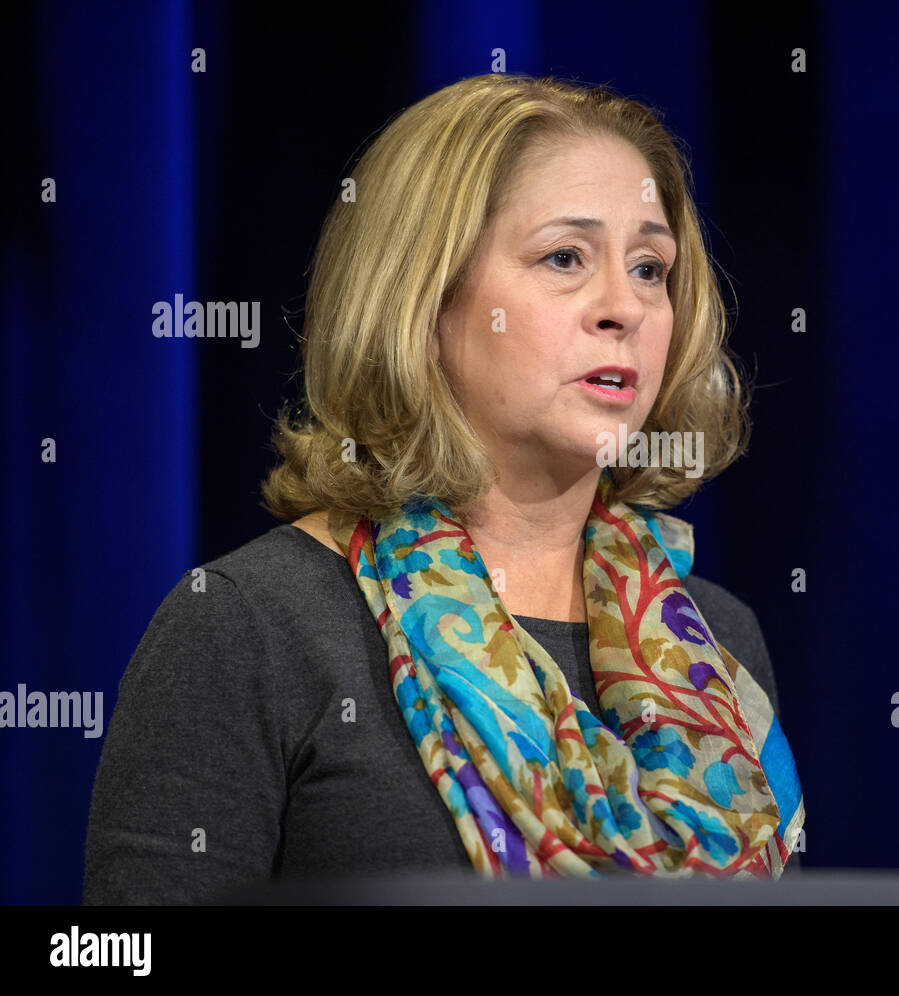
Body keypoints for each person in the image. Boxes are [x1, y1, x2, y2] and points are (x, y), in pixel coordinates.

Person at [83, 73, 805, 903]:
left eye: (651, 267)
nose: (625, 307)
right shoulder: (253, 625)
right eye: (565, 257)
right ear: (423, 299)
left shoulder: (718, 637)